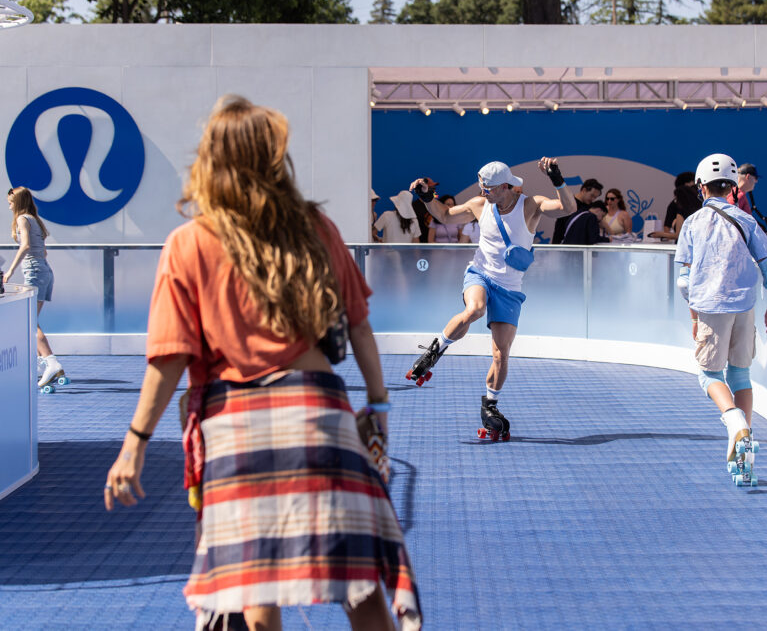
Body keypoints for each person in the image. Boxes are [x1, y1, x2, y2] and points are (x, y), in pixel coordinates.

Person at [102, 96, 420, 631]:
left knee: (255, 584)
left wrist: (135, 443)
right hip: (320, 414)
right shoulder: (314, 227)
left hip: (236, 426)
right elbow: (359, 326)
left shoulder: (188, 243)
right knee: (359, 581)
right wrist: (379, 405)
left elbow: (170, 358)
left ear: (209, 162)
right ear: (275, 158)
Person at [406, 157, 575, 438]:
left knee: (500, 354)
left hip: (509, 287)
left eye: (488, 188)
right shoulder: (479, 204)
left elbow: (568, 208)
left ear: (506, 186)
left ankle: (490, 405)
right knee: (475, 308)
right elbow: (445, 215)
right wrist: (426, 197)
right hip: (480, 274)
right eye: (482, 187)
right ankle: (434, 351)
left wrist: (557, 179)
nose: (483, 192)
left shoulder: (530, 206)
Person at [675, 153, 767, 474]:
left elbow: (684, 281)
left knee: (709, 375)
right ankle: (744, 452)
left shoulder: (693, 223)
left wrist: (694, 317)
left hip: (711, 307)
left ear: (701, 187)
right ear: (732, 186)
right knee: (740, 375)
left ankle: (734, 421)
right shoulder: (747, 220)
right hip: (745, 306)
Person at [5, 186, 65, 389]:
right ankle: (46, 363)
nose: (9, 206)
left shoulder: (22, 219)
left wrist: (10, 271)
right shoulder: (35, 220)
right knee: (31, 320)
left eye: (11, 203)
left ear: (18, 203)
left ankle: (51, 362)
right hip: (45, 271)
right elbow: (43, 252)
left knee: (29, 322)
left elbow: (26, 246)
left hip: (34, 272)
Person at [649, 172, 701, 242]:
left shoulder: (681, 212)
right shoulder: (676, 206)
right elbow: (668, 226)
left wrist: (662, 234)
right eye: (694, 183)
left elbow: (677, 234)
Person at [551, 177, 602, 244]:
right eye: (592, 195)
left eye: (595, 197)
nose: (593, 199)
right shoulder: (569, 203)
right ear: (584, 190)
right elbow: (559, 227)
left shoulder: (590, 207)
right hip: (565, 242)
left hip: (582, 245)